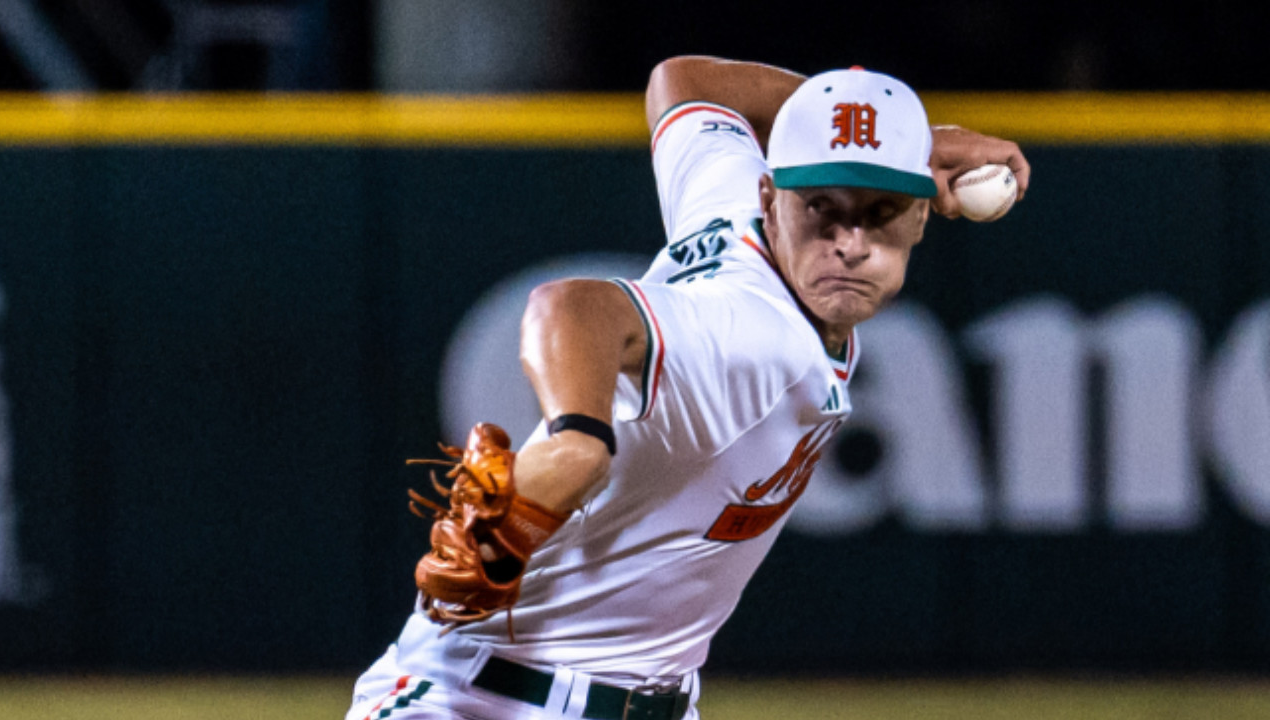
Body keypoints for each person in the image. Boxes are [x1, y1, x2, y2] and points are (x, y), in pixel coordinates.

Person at [346, 55, 1030, 720]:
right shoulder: (752, 336)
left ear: (922, 214)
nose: (849, 242)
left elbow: (684, 81)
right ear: (772, 196)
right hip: (480, 700)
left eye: (879, 209)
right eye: (822, 206)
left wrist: (909, 134)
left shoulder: (734, 213)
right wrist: (576, 444)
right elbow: (572, 306)